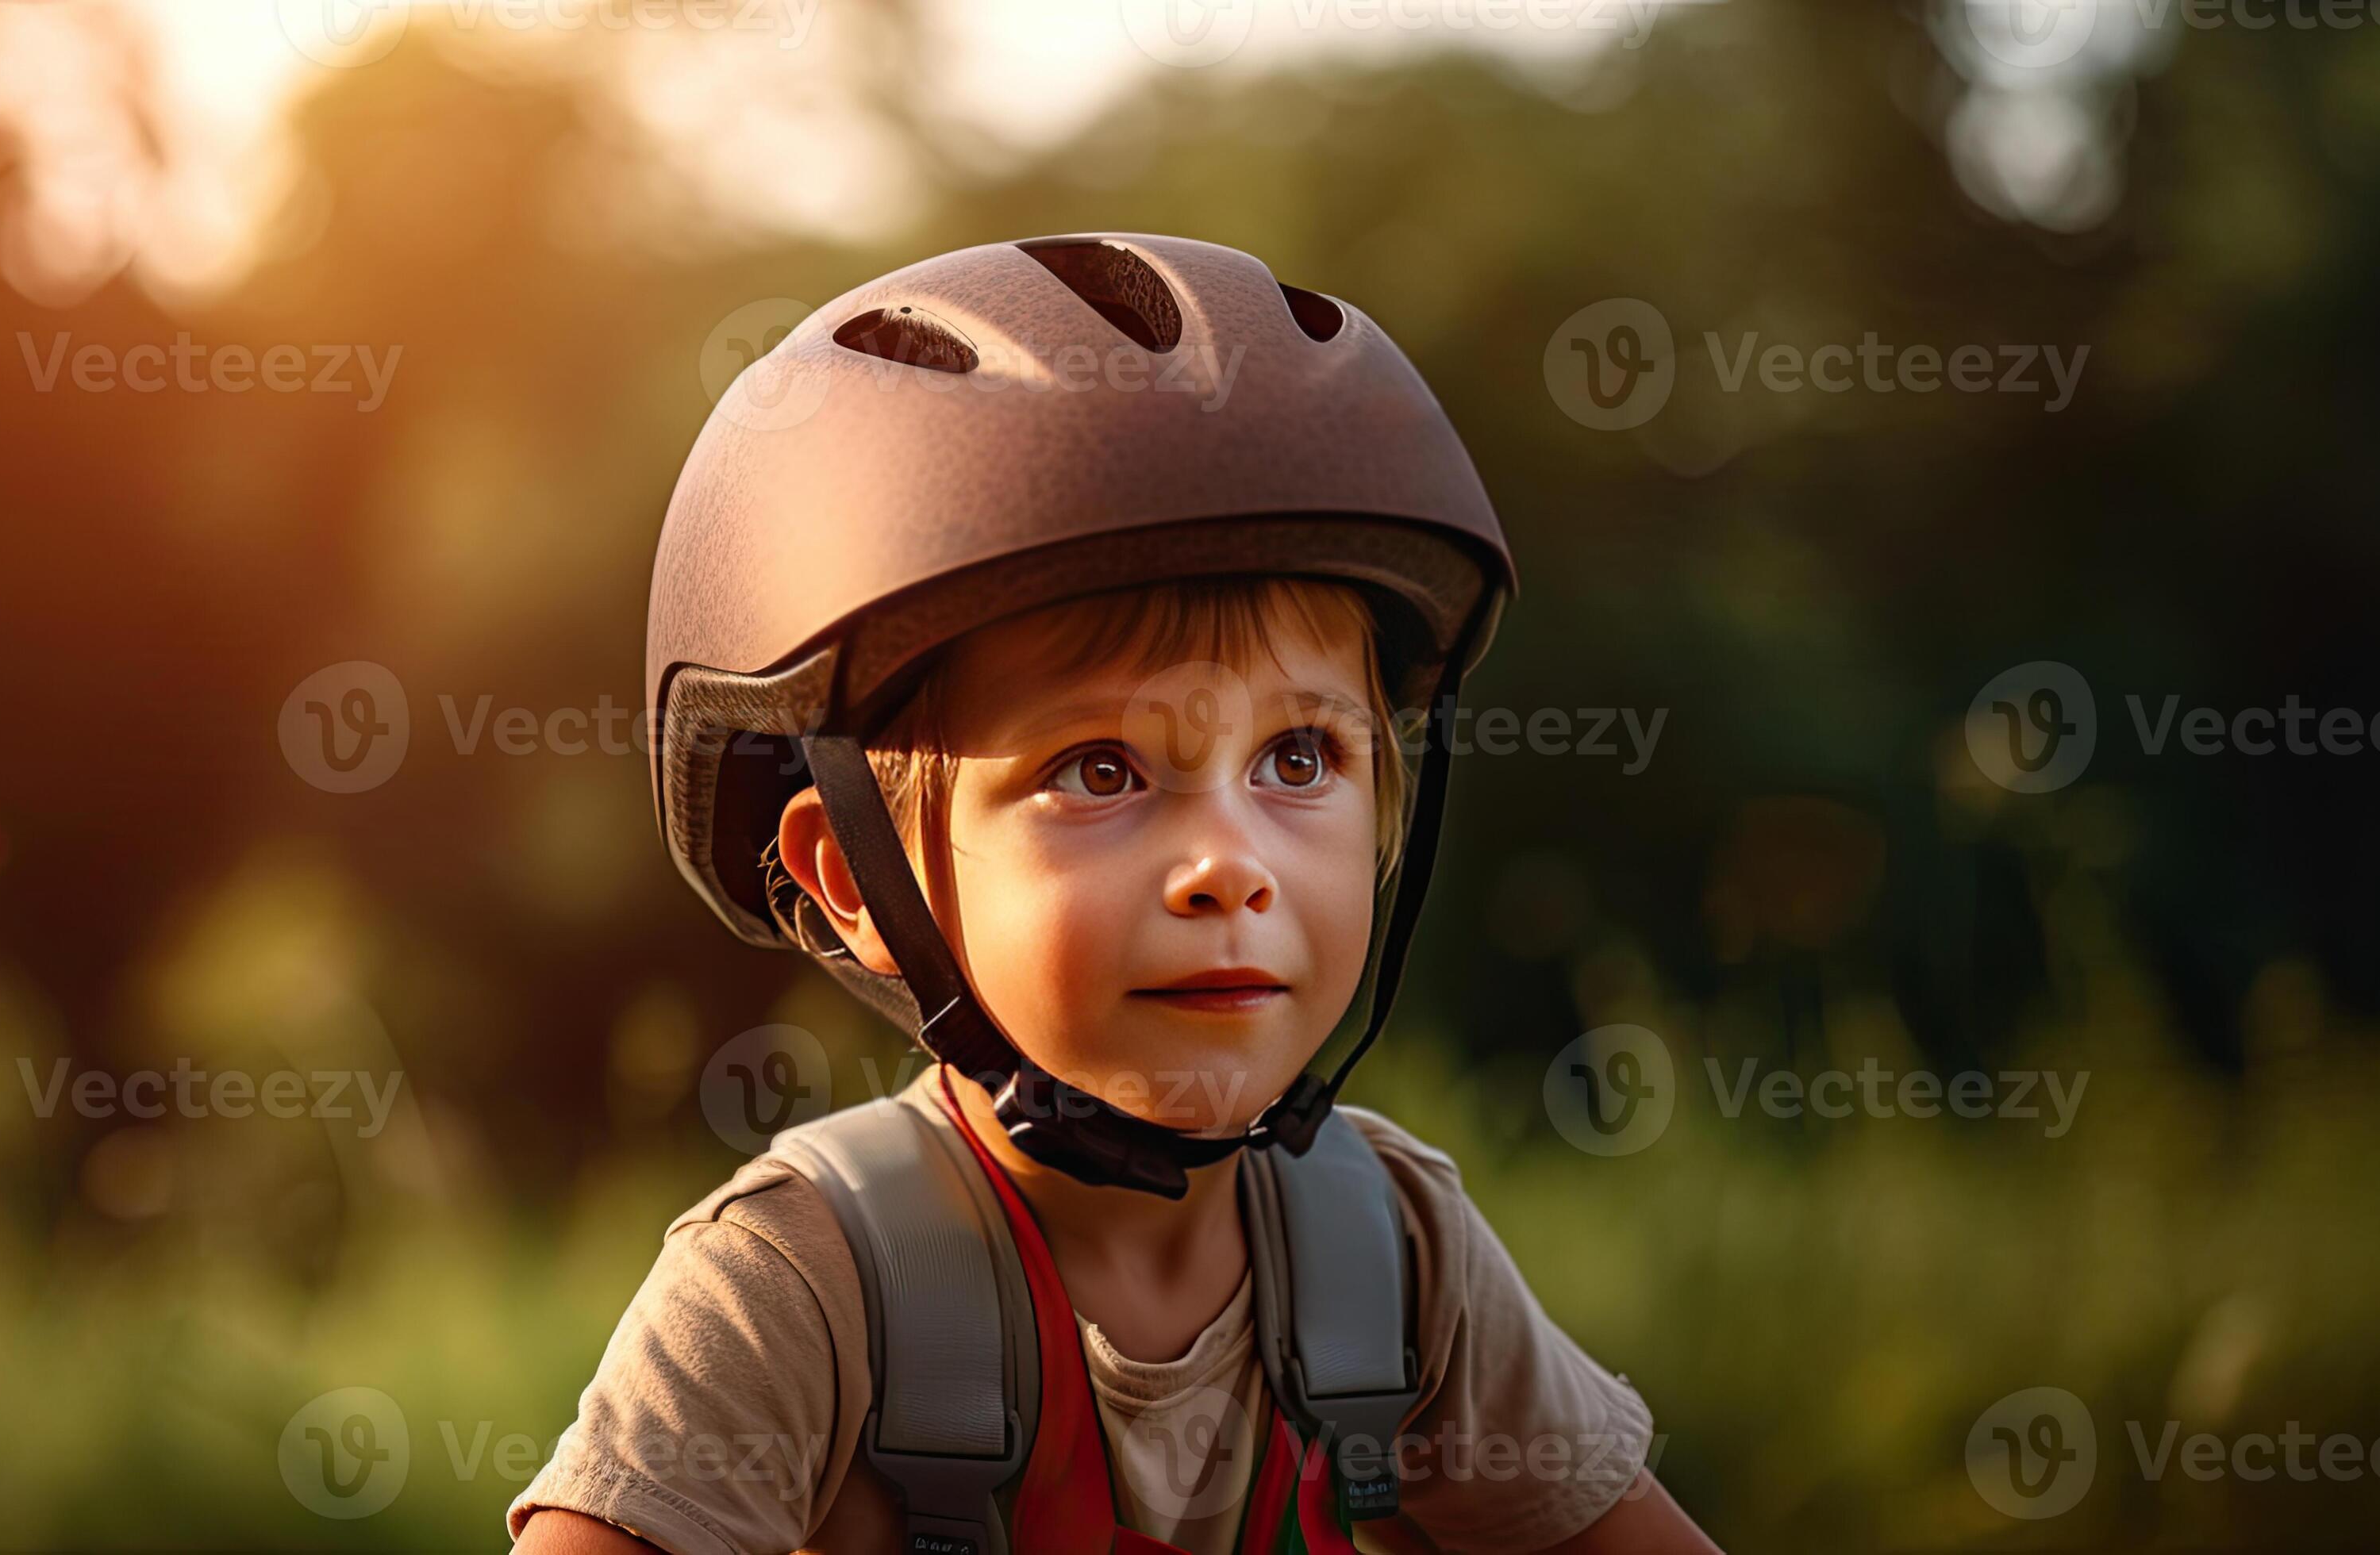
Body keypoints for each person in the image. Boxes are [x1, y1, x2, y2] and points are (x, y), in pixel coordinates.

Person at [509, 234, 1720, 1554]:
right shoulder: (800, 1289)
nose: (1227, 866)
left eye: (1299, 757)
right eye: (1099, 770)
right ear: (850, 877)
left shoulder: (1388, 1250)